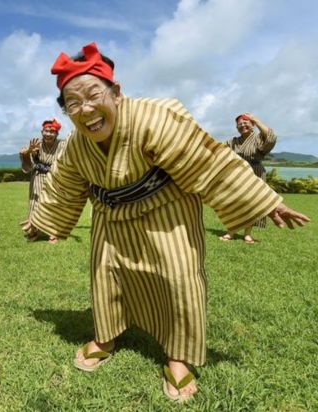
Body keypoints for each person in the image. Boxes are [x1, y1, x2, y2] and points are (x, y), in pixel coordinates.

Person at [28, 42, 309, 402]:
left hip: (167, 208)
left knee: (179, 277)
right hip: (110, 217)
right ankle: (106, 335)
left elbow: (208, 161)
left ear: (116, 92)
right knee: (106, 275)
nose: (85, 109)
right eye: (73, 103)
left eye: (93, 95)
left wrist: (262, 200)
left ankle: (179, 356)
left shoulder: (155, 117)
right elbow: (64, 185)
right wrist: (43, 220)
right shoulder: (77, 145)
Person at [219, 113, 276, 244]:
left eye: (246, 123)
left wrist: (256, 119)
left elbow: (271, 139)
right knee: (234, 203)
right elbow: (218, 149)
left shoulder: (258, 138)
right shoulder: (232, 141)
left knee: (252, 203)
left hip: (255, 173)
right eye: (239, 124)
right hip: (237, 174)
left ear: (253, 125)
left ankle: (247, 234)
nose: (243, 126)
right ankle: (231, 231)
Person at [19, 118, 66, 243]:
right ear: (42, 132)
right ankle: (33, 230)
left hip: (55, 177)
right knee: (35, 203)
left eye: (52, 132)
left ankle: (53, 232)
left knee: (53, 204)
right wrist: (27, 153)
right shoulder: (37, 144)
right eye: (46, 131)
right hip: (38, 176)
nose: (49, 134)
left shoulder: (62, 144)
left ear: (57, 134)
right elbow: (28, 163)